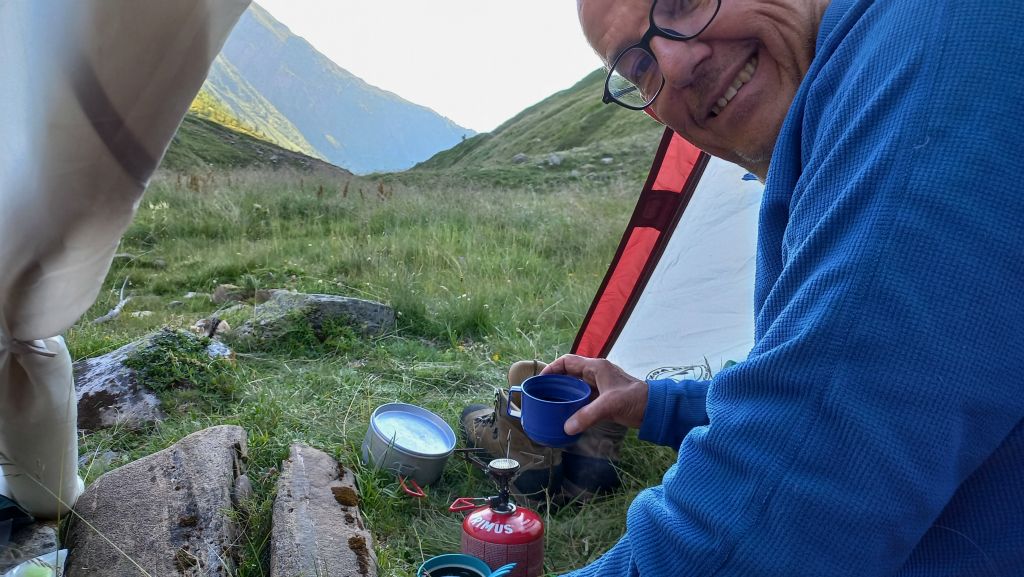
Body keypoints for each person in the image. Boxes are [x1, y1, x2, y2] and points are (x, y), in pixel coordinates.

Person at [481, 0, 1024, 575]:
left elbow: (778, 507)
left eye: (684, 2)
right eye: (638, 67)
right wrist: (657, 404)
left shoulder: (929, 56)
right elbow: (859, 384)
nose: (676, 63)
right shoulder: (843, 98)